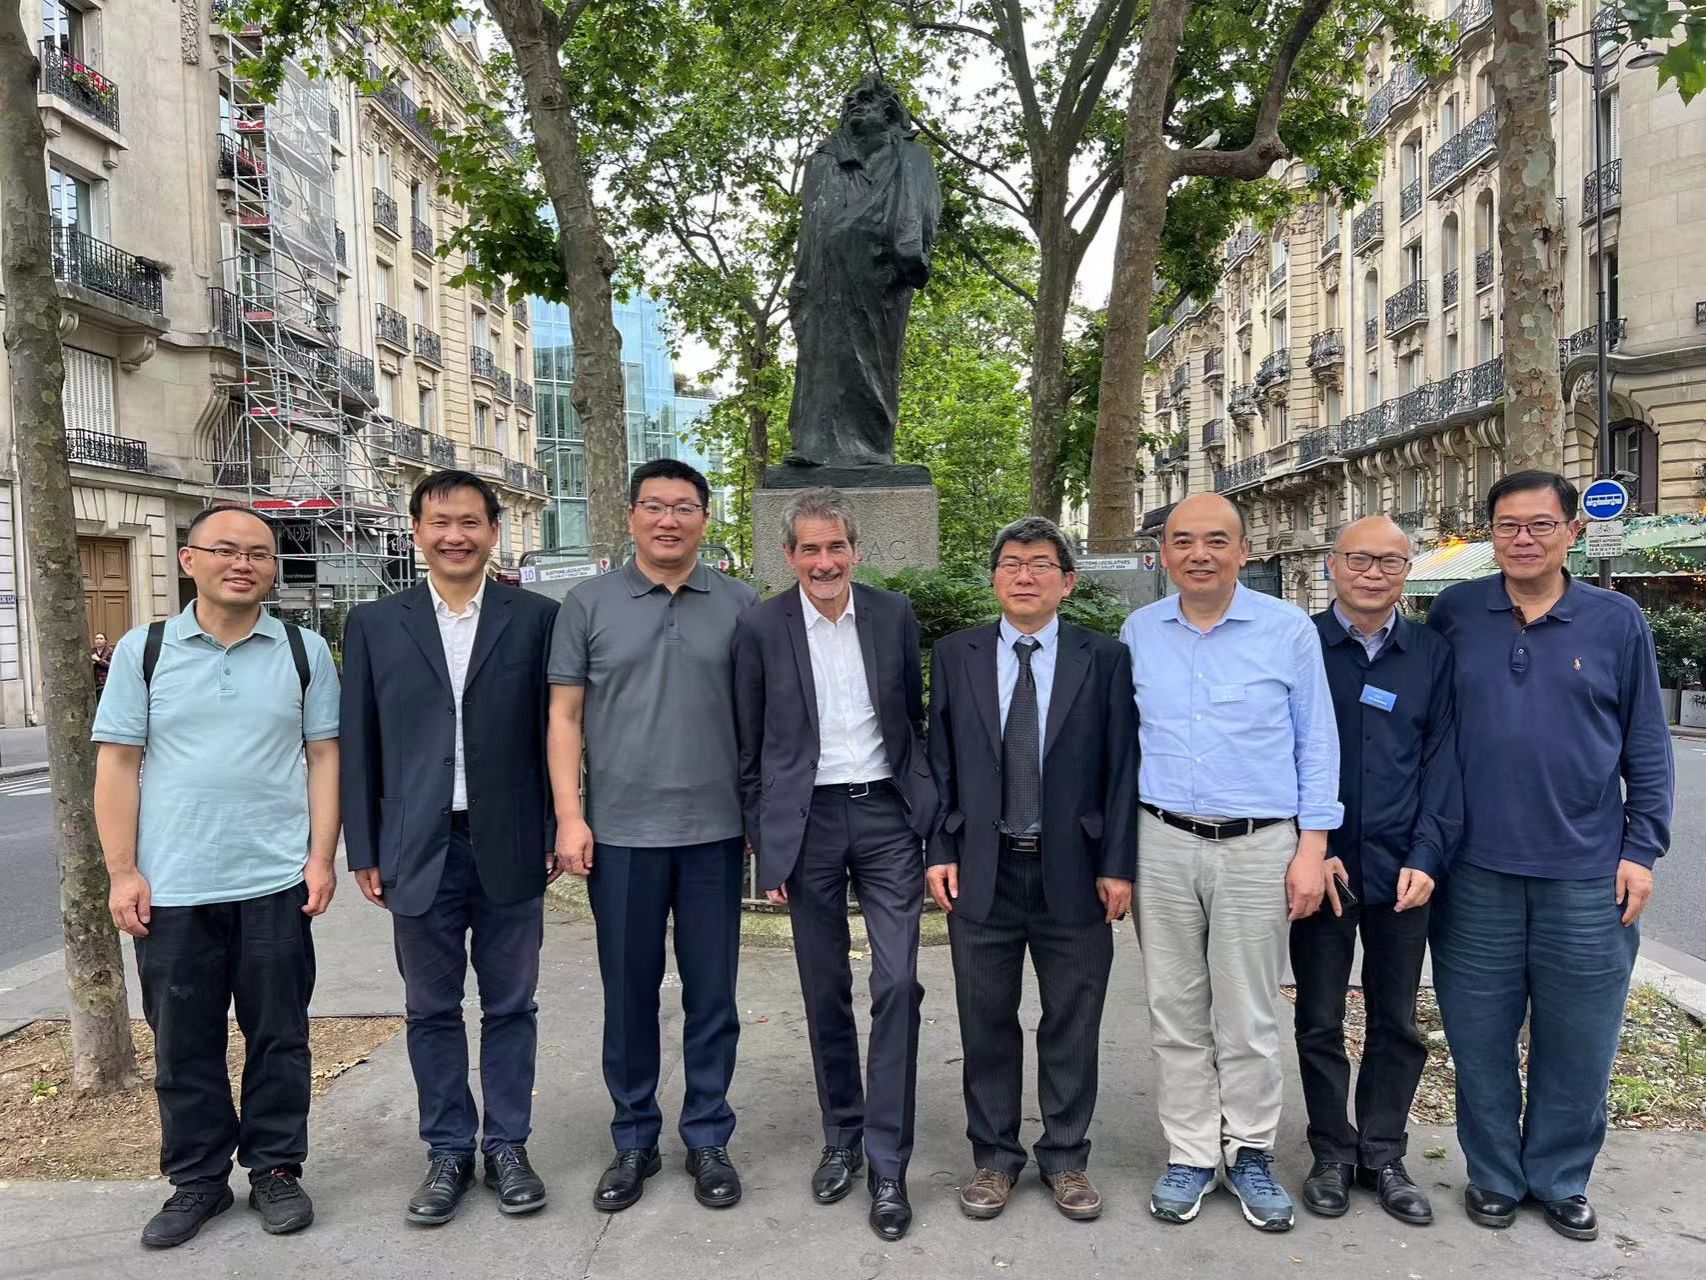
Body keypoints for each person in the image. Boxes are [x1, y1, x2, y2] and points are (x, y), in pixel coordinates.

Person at [1427, 470, 1672, 1241]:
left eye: (1540, 524)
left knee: (1580, 1043)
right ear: (1490, 533)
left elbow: (1646, 743)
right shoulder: (1456, 611)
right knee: (1479, 1039)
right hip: (1474, 874)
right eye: (1508, 525)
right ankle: (1495, 1176)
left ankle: (1562, 1179)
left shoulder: (1617, 620)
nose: (1523, 539)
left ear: (1571, 531)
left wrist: (1642, 849)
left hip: (1588, 875)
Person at [92, 505, 340, 1249]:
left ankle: (275, 1168)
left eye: (260, 554)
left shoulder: (303, 650)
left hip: (274, 881)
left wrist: (320, 857)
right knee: (183, 1043)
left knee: (280, 1036)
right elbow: (117, 763)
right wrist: (123, 872)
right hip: (173, 886)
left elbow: (323, 756)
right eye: (227, 550)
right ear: (189, 559)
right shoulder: (144, 650)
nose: (244, 564)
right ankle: (197, 1179)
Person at [339, 471, 561, 1226]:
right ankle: (447, 1152)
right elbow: (359, 740)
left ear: (494, 532)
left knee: (511, 1005)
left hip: (511, 842)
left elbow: (556, 733)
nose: (455, 535)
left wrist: (559, 826)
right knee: (430, 1009)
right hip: (414, 846)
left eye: (470, 522)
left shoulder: (536, 618)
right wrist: (363, 846)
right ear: (416, 532)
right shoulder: (375, 624)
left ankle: (508, 1147)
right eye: (440, 522)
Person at [1120, 492, 1342, 1233]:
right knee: (1175, 1009)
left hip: (1259, 845)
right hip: (1161, 841)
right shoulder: (1140, 632)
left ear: (1244, 551)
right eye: (1183, 540)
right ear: (1164, 553)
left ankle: (1249, 1150)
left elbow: (1317, 742)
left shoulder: (1287, 630)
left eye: (1217, 540)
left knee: (1247, 1013)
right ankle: (1189, 1152)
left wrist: (1313, 848)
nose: (1200, 554)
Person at [548, 459, 759, 1214]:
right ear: (632, 515)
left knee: (713, 996)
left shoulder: (742, 604)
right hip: (621, 835)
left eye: (684, 507)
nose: (669, 520)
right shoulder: (588, 603)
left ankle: (707, 1136)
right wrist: (571, 815)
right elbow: (565, 715)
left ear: (705, 517)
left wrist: (760, 821)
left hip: (714, 834)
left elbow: (762, 720)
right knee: (629, 993)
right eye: (655, 506)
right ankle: (634, 1137)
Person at [732, 487, 938, 1241]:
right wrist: (767, 846)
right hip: (807, 823)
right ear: (789, 556)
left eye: (836, 547)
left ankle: (888, 1161)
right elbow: (749, 747)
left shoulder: (893, 615)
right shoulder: (760, 627)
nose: (825, 562)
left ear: (855, 550)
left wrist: (925, 811)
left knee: (898, 983)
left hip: (886, 816)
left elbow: (911, 718)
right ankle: (842, 1135)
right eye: (810, 549)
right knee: (824, 989)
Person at [926, 517, 1137, 1223]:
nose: (1025, 575)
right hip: (981, 870)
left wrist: (1118, 864)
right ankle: (994, 1158)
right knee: (985, 1021)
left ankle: (1067, 1157)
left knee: (1072, 1020)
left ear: (1067, 582)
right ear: (994, 578)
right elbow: (939, 761)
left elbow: (1122, 766)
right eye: (1012, 563)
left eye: (1041, 563)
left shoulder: (1103, 657)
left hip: (1074, 870)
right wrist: (940, 850)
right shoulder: (956, 655)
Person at [1292, 517, 1461, 1225]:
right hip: (1322, 865)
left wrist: (1428, 855)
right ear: (1332, 565)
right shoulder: (1299, 644)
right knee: (1319, 1017)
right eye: (1359, 559)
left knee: (1397, 1019)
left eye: (1390, 562)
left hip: (1402, 868)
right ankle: (1332, 1152)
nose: (1373, 573)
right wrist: (1305, 847)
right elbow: (1276, 751)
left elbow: (1444, 761)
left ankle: (1384, 1154)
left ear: (1407, 571)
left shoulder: (1431, 653)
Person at [784, 75, 940, 468]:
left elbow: (922, 210)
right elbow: (811, 227)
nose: (854, 105)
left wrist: (910, 255)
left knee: (874, 362)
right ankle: (815, 445)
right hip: (824, 278)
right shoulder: (825, 158)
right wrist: (801, 282)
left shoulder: (912, 156)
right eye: (850, 101)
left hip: (881, 278)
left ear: (888, 111)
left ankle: (869, 448)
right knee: (821, 356)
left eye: (865, 100)